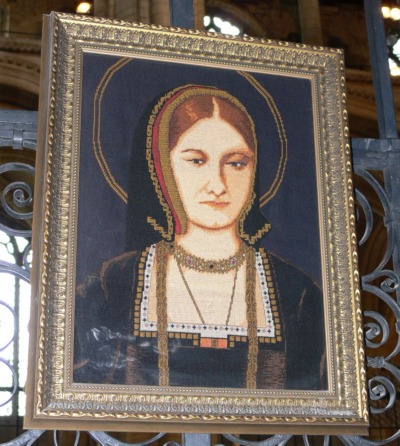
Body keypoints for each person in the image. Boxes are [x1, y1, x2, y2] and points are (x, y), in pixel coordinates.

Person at [74, 85, 326, 390]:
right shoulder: (113, 282)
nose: (218, 184)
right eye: (196, 161)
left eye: (236, 162)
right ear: (163, 168)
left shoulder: (297, 293)